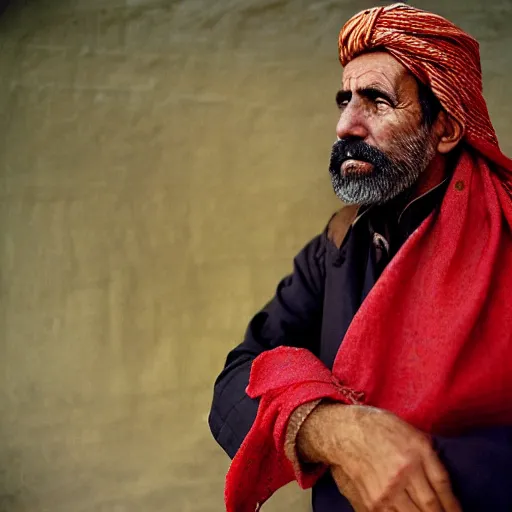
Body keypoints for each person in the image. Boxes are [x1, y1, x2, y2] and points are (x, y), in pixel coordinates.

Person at [209, 4, 512, 511]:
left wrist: (419, 464)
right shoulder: (336, 247)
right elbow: (239, 377)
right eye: (344, 100)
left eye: (376, 100)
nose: (346, 124)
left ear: (446, 129)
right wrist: (336, 430)